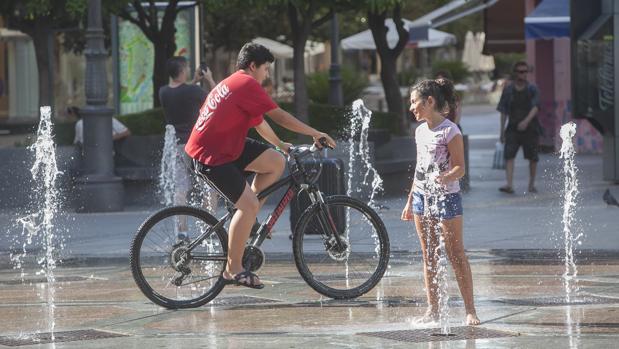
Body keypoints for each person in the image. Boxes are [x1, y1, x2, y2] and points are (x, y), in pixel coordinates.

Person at [185, 42, 336, 289]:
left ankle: (245, 218)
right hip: (211, 155)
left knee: (276, 161)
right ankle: (232, 269)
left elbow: (260, 122)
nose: (267, 74)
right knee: (249, 205)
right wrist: (315, 132)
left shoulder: (234, 83)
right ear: (252, 66)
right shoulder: (246, 83)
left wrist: (281, 145)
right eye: (265, 69)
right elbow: (279, 116)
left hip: (224, 145)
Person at [401, 78, 480, 326]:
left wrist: (443, 177)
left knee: (455, 253)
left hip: (447, 198)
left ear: (430, 101)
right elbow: (419, 168)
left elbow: (460, 168)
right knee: (429, 256)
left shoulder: (450, 130)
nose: (412, 107)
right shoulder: (419, 131)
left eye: (415, 102)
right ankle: (433, 310)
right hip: (422, 199)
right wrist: (410, 199)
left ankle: (470, 310)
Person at [159, 56, 218, 214]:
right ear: (183, 71)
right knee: (209, 186)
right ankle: (209, 227)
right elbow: (217, 98)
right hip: (195, 146)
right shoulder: (192, 91)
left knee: (180, 189)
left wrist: (193, 81)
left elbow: (180, 92)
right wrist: (210, 79)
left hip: (176, 146)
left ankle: (181, 232)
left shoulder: (163, 92)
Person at [496, 61, 541, 194]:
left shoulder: (532, 88)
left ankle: (531, 184)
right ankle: (509, 184)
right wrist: (501, 131)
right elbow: (503, 111)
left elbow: (536, 107)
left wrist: (526, 121)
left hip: (530, 128)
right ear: (515, 73)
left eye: (525, 71)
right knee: (509, 155)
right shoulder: (508, 89)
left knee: (532, 157)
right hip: (513, 127)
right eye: (521, 71)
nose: (523, 74)